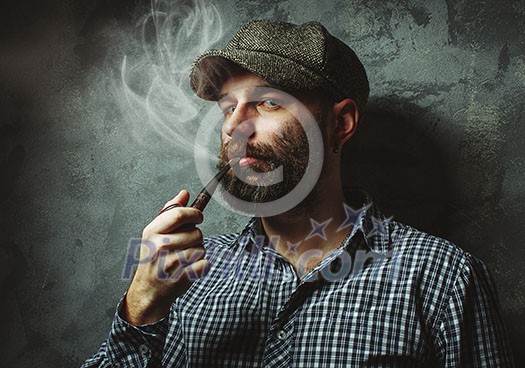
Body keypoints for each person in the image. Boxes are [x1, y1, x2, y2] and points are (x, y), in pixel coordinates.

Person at [82, 20, 514, 367]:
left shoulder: (443, 280)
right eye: (229, 107)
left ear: (340, 124)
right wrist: (141, 309)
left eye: (268, 102)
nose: (236, 126)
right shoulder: (185, 279)